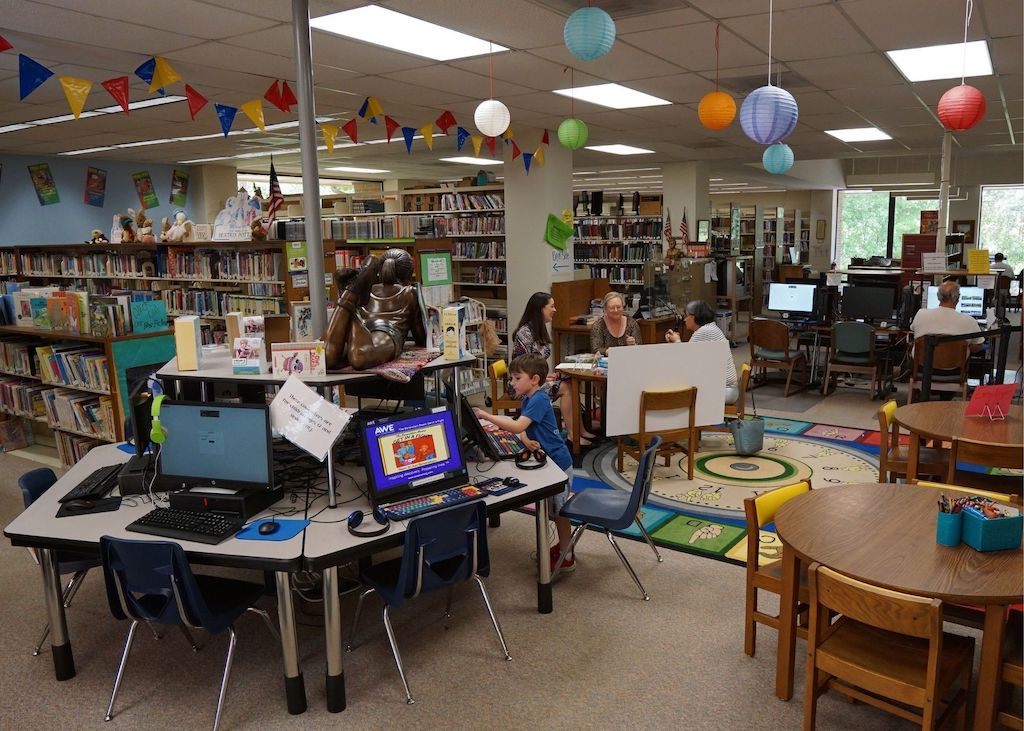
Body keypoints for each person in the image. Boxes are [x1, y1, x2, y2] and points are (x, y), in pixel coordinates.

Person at [475, 354, 575, 573]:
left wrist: (486, 415)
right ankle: (564, 547)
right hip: (549, 461)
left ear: (534, 379)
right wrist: (526, 440)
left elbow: (517, 426)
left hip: (559, 464)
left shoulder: (538, 399)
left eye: (516, 378)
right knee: (554, 511)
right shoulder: (529, 398)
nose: (511, 383)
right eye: (511, 378)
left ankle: (567, 555)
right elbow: (523, 430)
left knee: (560, 514)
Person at [509, 291, 596, 445]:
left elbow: (533, 365)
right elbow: (520, 369)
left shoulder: (538, 329)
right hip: (522, 387)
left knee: (569, 382)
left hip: (534, 382)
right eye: (552, 306)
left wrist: (544, 376)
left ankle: (579, 430)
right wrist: (539, 381)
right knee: (567, 388)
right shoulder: (524, 333)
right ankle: (572, 435)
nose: (555, 310)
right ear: (540, 309)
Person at [324, 249, 426, 370]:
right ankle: (350, 296)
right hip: (387, 331)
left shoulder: (369, 288)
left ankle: (348, 294)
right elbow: (421, 338)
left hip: (363, 328)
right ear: (408, 274)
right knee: (359, 357)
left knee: (326, 358)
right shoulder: (409, 292)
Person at [665, 300, 739, 404]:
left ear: (694, 316)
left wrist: (676, 341)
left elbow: (684, 359)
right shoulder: (710, 328)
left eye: (686, 316)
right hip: (726, 388)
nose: (684, 320)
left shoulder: (705, 331)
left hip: (724, 390)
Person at [910, 280, 983, 354]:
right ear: (957, 298)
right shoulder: (970, 321)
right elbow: (976, 348)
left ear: (938, 296)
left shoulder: (921, 314)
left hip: (922, 363)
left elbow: (914, 332)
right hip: (955, 364)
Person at [590, 291, 642, 356]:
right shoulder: (598, 325)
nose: (616, 310)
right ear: (605, 309)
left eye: (618, 307)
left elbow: (640, 348)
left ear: (623, 307)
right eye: (612, 308)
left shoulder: (632, 323)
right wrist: (608, 352)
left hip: (628, 361)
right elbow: (595, 349)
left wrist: (634, 345)